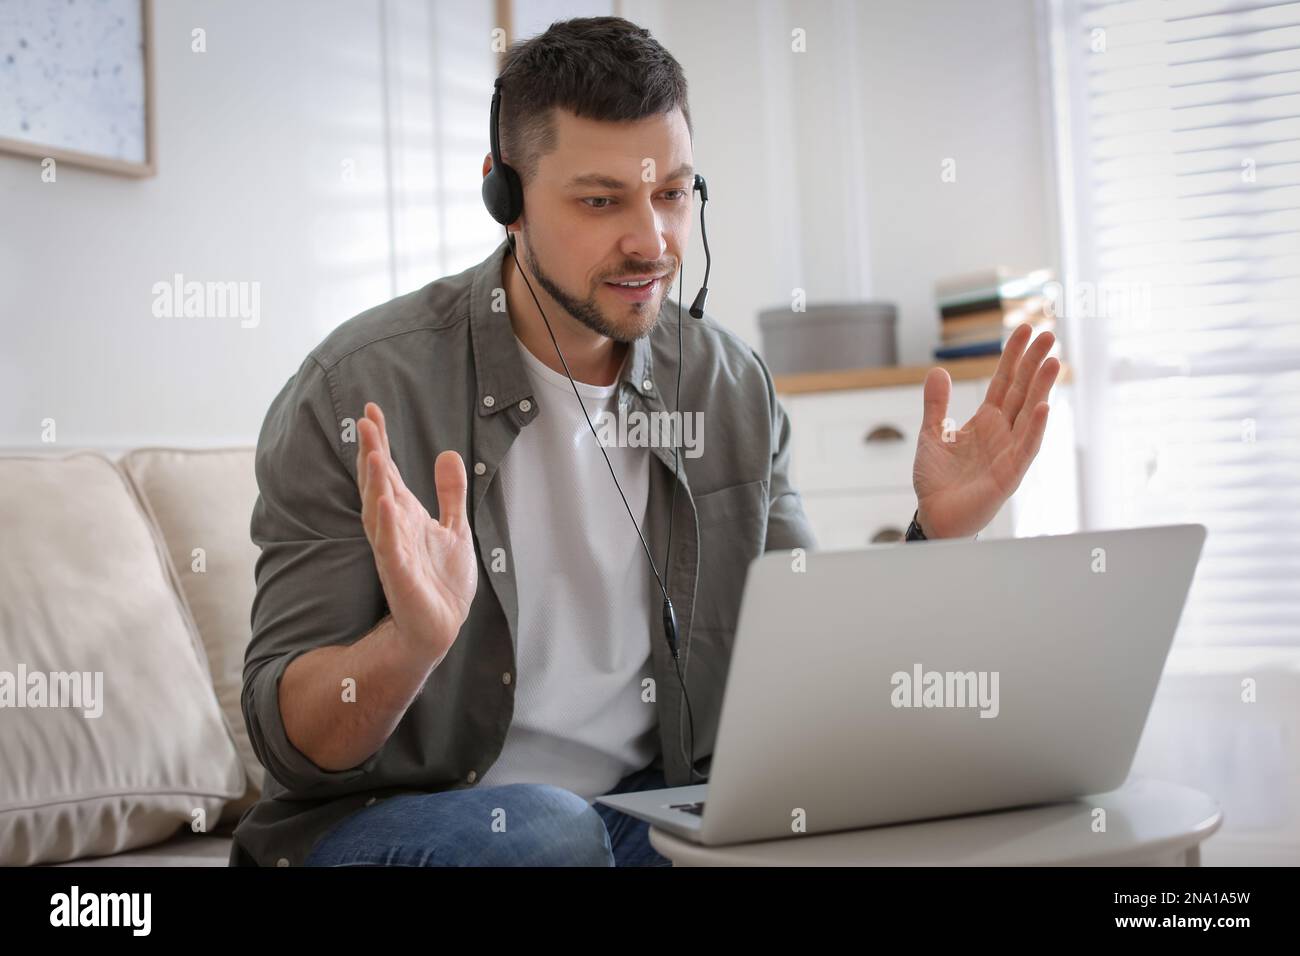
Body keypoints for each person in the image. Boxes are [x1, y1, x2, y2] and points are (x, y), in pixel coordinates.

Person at [230, 16, 1059, 868]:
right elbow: (294, 746)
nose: (652, 242)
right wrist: (408, 646)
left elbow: (805, 669)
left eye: (671, 194)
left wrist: (935, 539)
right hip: (397, 820)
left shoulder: (729, 387)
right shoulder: (355, 392)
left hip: (643, 813)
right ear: (504, 197)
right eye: (601, 201)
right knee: (551, 836)